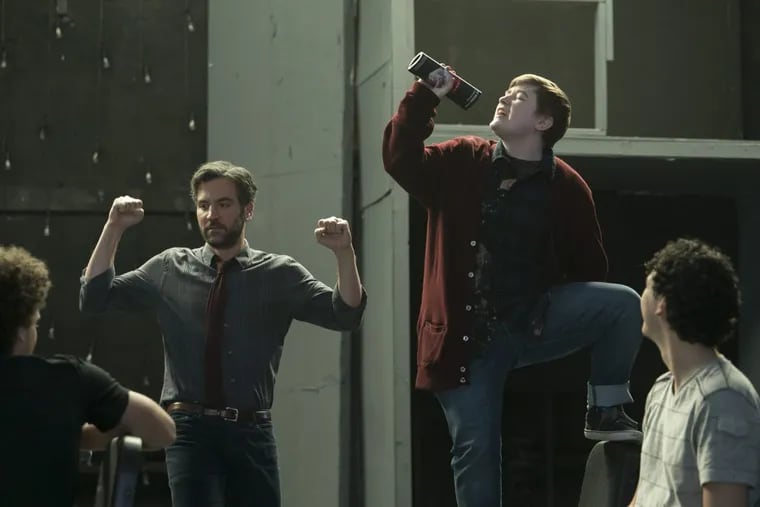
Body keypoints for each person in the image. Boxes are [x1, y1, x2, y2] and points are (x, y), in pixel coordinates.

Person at [382, 67, 643, 506]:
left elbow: (589, 268)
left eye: (518, 97)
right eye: (505, 93)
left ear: (543, 122)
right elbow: (399, 159)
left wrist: (546, 306)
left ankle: (605, 409)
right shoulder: (463, 159)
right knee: (476, 451)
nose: (504, 99)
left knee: (622, 304)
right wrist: (425, 95)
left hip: (527, 321)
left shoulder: (566, 187)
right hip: (463, 343)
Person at [79, 160, 366, 507]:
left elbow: (345, 314)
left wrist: (344, 252)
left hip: (251, 431)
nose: (211, 214)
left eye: (223, 204)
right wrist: (113, 227)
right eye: (204, 205)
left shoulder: (278, 273)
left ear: (248, 210)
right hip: (189, 431)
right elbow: (94, 297)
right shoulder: (170, 266)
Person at [0, 245, 175, 507]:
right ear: (22, 332)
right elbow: (162, 430)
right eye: (35, 323)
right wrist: (70, 433)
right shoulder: (68, 379)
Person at [630, 238, 760, 507]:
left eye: (647, 288)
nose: (641, 297)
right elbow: (644, 497)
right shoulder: (661, 390)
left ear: (662, 304)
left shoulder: (723, 399)